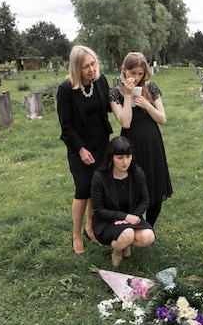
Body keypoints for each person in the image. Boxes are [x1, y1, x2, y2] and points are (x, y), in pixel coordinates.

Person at [57, 45, 113, 258]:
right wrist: (80, 149)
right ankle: (76, 235)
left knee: (96, 187)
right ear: (75, 69)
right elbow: (66, 125)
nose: (91, 69)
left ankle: (91, 227)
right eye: (85, 67)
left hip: (101, 143)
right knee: (82, 189)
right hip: (78, 146)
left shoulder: (101, 80)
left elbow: (108, 105)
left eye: (93, 64)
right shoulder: (66, 90)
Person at [109, 52, 172, 227]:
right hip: (130, 144)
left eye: (140, 73)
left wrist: (147, 105)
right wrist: (128, 95)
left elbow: (162, 119)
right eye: (133, 73)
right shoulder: (115, 93)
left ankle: (149, 227)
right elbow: (126, 122)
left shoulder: (151, 88)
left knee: (154, 185)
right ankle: (131, 227)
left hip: (152, 142)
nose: (136, 78)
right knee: (132, 186)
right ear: (124, 71)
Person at [91, 136, 155, 266]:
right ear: (111, 158)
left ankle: (124, 244)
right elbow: (99, 209)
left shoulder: (137, 173)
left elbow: (145, 200)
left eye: (128, 156)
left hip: (132, 217)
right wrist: (124, 217)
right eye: (120, 158)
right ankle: (117, 251)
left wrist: (133, 216)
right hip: (107, 221)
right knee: (128, 233)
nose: (125, 162)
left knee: (148, 236)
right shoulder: (99, 177)